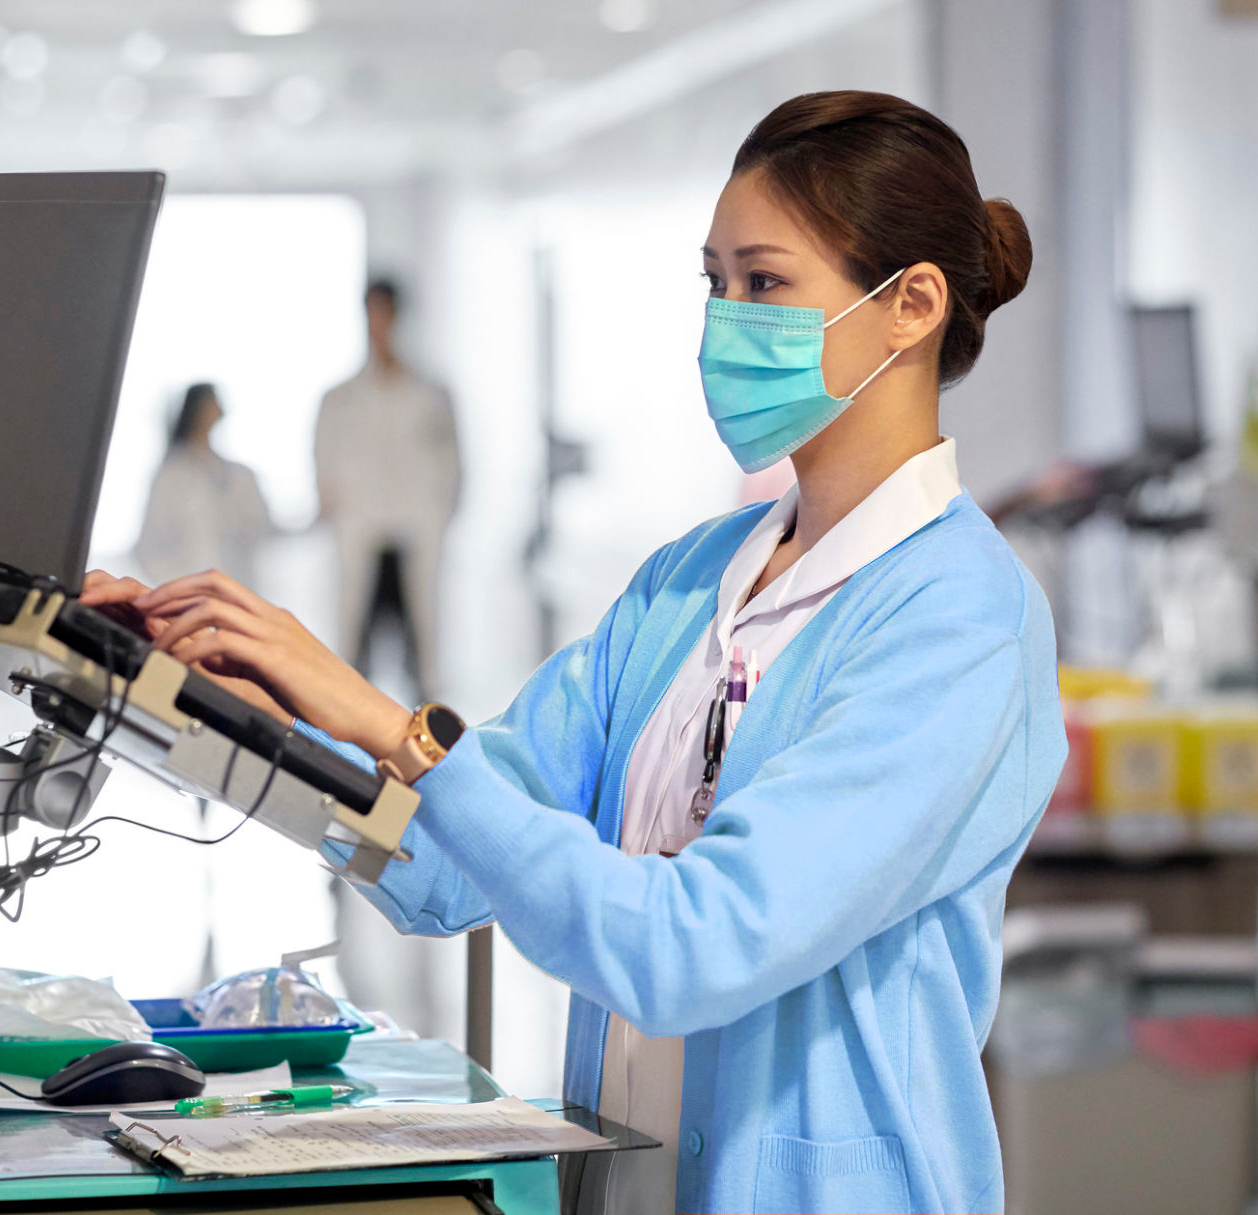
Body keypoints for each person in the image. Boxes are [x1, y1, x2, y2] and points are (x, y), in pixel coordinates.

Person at [87, 91, 1064, 1215]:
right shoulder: (692, 581)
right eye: (715, 283)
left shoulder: (957, 621)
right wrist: (209, 696)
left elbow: (691, 949)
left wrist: (386, 723)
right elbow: (440, 865)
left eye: (765, 283)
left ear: (912, 307)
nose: (726, 322)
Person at [314, 279, 462, 698]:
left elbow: (453, 464)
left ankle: (425, 727)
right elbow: (325, 469)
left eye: (386, 313)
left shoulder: (432, 395)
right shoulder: (339, 399)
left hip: (417, 528)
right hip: (360, 528)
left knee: (422, 643)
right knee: (355, 644)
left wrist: (437, 512)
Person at [134, 383, 276, 588]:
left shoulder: (238, 475)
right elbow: (149, 545)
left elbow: (262, 527)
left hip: (236, 587)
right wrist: (175, 586)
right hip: (187, 588)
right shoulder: (171, 475)